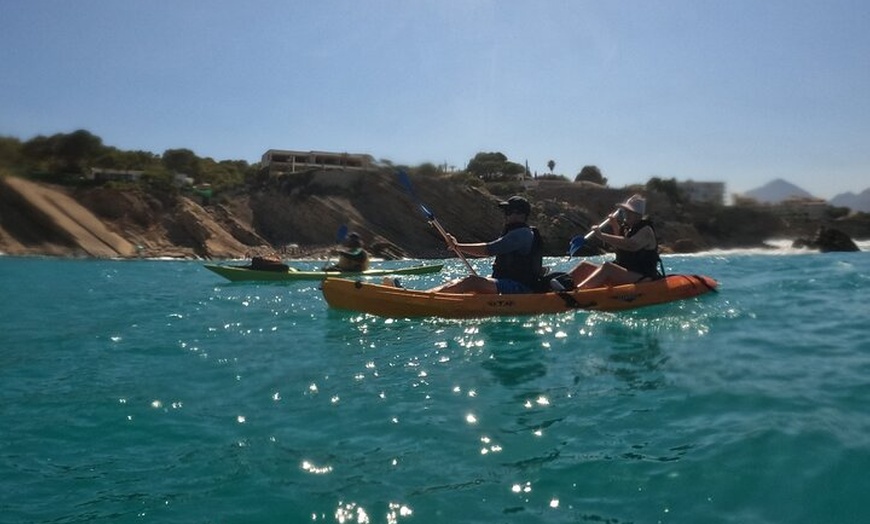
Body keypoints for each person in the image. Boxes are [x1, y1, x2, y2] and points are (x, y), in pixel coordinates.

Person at [430, 196, 543, 294]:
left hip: (520, 287)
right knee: (461, 282)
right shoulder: (514, 232)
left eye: (508, 212)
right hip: (506, 282)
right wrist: (456, 245)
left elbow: (490, 249)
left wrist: (457, 246)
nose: (505, 216)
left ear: (521, 215)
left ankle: (429, 299)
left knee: (472, 282)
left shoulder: (523, 234)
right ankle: (428, 294)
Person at [571, 194, 663, 289]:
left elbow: (631, 245)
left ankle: (577, 291)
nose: (626, 214)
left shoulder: (646, 230)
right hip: (625, 272)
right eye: (625, 211)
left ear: (638, 215)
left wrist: (601, 236)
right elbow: (620, 245)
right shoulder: (627, 228)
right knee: (584, 266)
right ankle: (560, 285)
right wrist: (614, 225)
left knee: (608, 267)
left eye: (629, 212)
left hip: (642, 277)